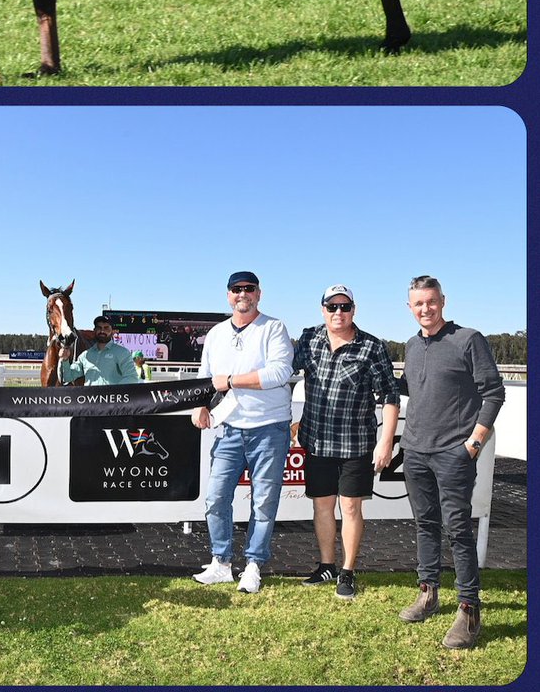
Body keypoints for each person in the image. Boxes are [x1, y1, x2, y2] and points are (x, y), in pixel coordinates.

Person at [397, 275, 505, 648]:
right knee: (425, 525)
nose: (425, 309)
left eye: (431, 301)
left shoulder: (468, 340)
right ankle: (428, 593)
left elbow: (494, 393)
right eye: (418, 303)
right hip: (415, 451)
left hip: (453, 455)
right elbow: (413, 390)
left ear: (442, 301)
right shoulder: (412, 345)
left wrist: (473, 444)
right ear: (409, 307)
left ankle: (469, 609)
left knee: (458, 530)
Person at [291, 285, 400, 601]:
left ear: (354, 309)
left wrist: (386, 441)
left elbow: (390, 395)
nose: (338, 312)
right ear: (322, 309)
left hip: (356, 444)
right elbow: (280, 372)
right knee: (322, 506)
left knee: (350, 507)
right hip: (317, 442)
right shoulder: (309, 339)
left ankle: (348, 571)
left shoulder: (372, 347)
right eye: (332, 307)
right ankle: (326, 566)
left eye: (345, 306)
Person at [190, 270, 294, 594]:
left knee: (263, 503)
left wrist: (232, 381)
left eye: (249, 288)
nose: (242, 294)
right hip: (229, 429)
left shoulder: (274, 328)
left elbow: (280, 372)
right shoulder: (216, 334)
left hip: (269, 429)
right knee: (215, 498)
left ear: (258, 294)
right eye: (236, 289)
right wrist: (200, 405)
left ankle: (253, 565)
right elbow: (205, 377)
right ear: (228, 295)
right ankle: (221, 563)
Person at [58, 314, 136, 385]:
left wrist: (113, 391)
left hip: (113, 396)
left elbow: (132, 378)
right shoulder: (85, 355)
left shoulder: (122, 353)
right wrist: (65, 360)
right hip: (89, 396)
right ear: (94, 330)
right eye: (99, 328)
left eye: (106, 328)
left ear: (112, 331)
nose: (102, 331)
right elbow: (68, 377)